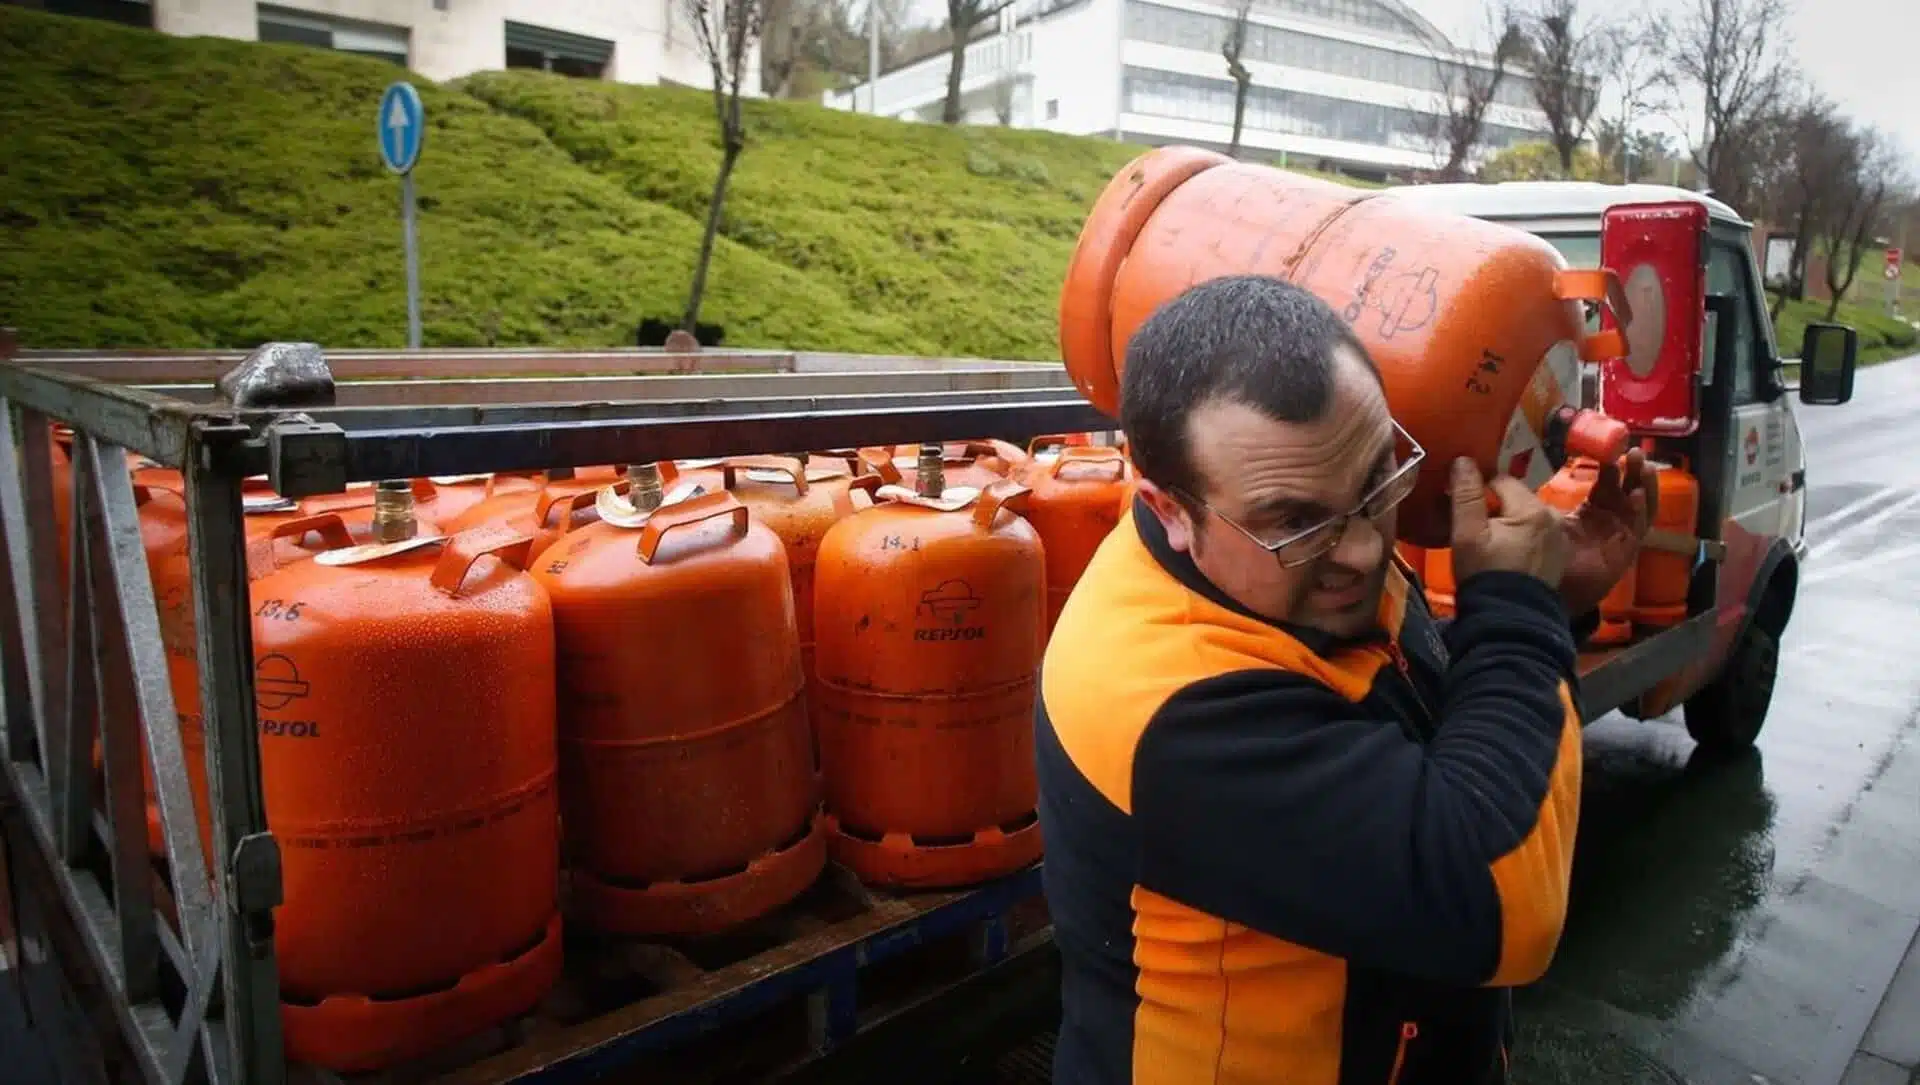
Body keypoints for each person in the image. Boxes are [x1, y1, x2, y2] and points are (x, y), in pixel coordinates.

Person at [1036, 274, 1653, 1085]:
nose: (1363, 550)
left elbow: (1413, 718)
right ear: (1171, 509)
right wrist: (1517, 613)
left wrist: (1557, 605)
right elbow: (1499, 894)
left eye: (1376, 483)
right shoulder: (1165, 702)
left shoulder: (1280, 564)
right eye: (1296, 521)